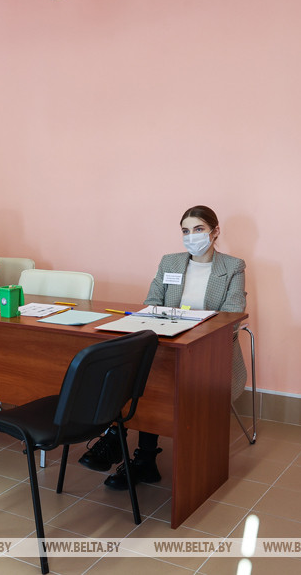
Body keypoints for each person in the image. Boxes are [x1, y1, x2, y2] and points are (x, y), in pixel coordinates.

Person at [78, 205, 246, 490]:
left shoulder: (233, 267)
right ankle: (124, 443)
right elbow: (152, 302)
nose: (191, 237)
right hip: (166, 341)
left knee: (152, 376)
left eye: (199, 229)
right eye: (185, 231)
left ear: (215, 231)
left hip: (208, 349)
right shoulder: (171, 262)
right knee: (130, 366)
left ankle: (132, 450)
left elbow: (232, 315)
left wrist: (189, 327)